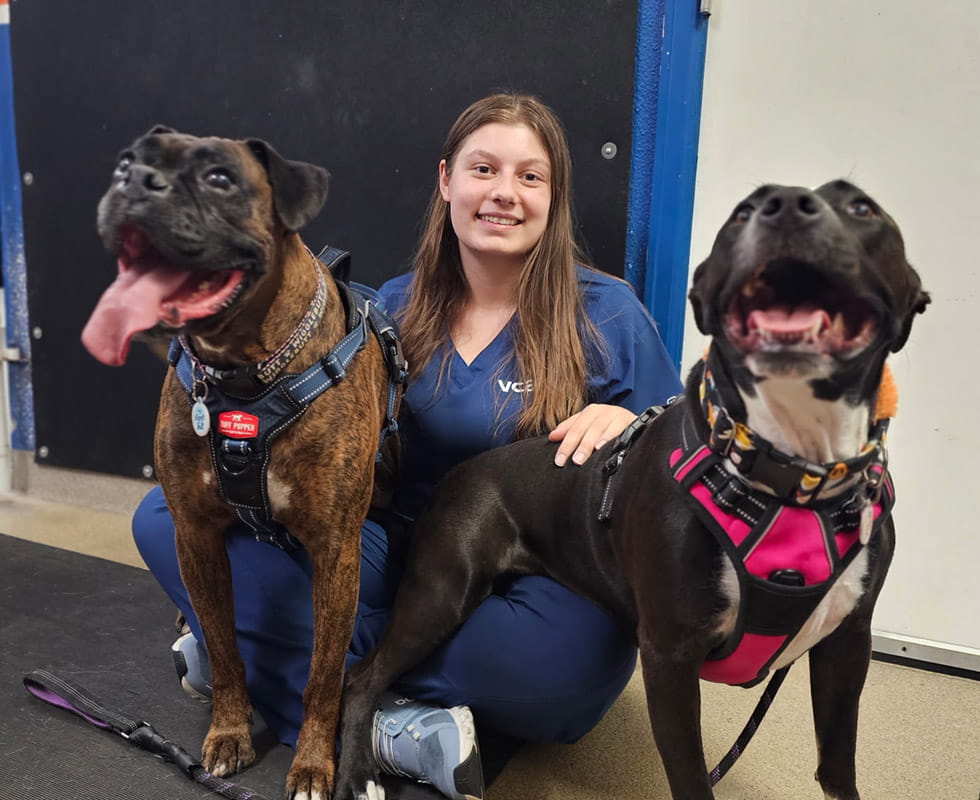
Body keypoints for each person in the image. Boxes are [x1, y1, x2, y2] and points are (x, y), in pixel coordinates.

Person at [132, 93, 682, 800]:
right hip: (397, 556)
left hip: (541, 577)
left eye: (530, 177)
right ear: (448, 180)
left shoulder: (608, 313)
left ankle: (286, 664)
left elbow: (676, 455)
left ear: (555, 196)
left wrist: (626, 422)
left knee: (563, 677)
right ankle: (387, 721)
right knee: (159, 521)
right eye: (484, 169)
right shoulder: (389, 305)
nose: (504, 194)